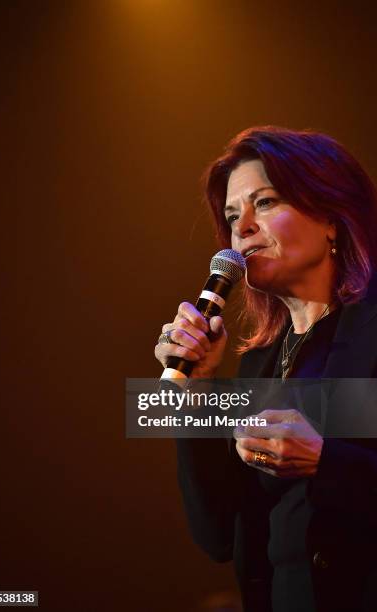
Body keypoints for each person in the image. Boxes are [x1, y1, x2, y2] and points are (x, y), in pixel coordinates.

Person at [155, 126, 377, 612]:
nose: (244, 228)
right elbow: (217, 535)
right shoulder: (259, 363)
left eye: (267, 202)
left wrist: (326, 462)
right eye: (233, 216)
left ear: (331, 219)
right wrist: (198, 391)